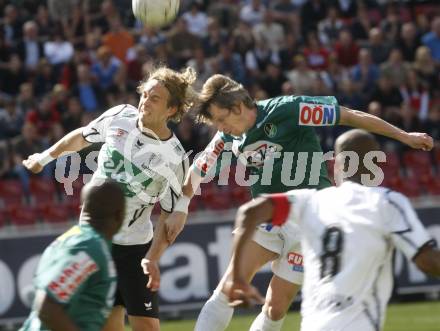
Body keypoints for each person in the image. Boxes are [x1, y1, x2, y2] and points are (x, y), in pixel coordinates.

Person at [163, 74, 434, 331]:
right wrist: (181, 206)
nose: (220, 128)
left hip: (310, 221)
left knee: (275, 308)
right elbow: (199, 167)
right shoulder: (229, 137)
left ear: (237, 107)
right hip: (269, 218)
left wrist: (404, 136)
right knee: (227, 289)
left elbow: (350, 116)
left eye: (221, 120)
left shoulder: (291, 109)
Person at [22, 66, 196, 331]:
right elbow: (80, 137)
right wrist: (43, 158)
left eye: (155, 98)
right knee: (107, 326)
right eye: (145, 94)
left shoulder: (175, 158)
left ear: (171, 110)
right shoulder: (120, 116)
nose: (145, 101)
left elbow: (170, 215)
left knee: (148, 326)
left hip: (134, 249)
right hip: (97, 240)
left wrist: (153, 256)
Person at [229, 129, 440, 331]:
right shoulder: (387, 203)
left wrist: (238, 277)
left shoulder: (311, 201)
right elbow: (427, 260)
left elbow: (250, 214)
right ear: (375, 163)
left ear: (337, 165)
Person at [20, 179, 125, 331]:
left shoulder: (73, 239)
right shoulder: (89, 247)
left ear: (83, 209)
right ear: (120, 215)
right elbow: (47, 307)